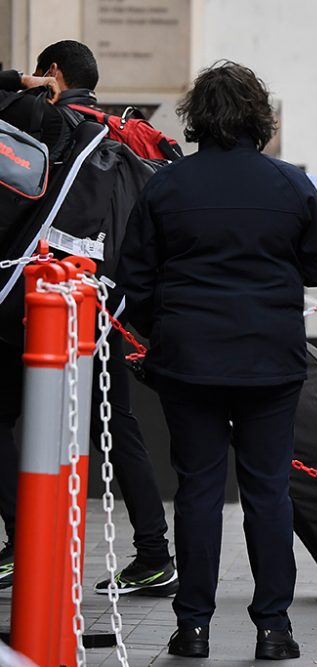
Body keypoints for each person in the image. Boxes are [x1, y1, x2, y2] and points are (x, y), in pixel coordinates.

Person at [117, 61, 317, 659]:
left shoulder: (166, 185)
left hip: (189, 360)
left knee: (197, 491)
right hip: (270, 359)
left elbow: (133, 279)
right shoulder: (291, 184)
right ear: (257, 118)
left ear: (197, 118)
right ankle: (274, 628)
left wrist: (165, 325)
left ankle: (193, 626)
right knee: (269, 492)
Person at [0, 40, 178, 597]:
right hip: (103, 302)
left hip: (34, 299)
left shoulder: (44, 117)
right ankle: (153, 552)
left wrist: (17, 82)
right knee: (116, 424)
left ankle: (23, 540)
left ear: (52, 73)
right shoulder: (125, 133)